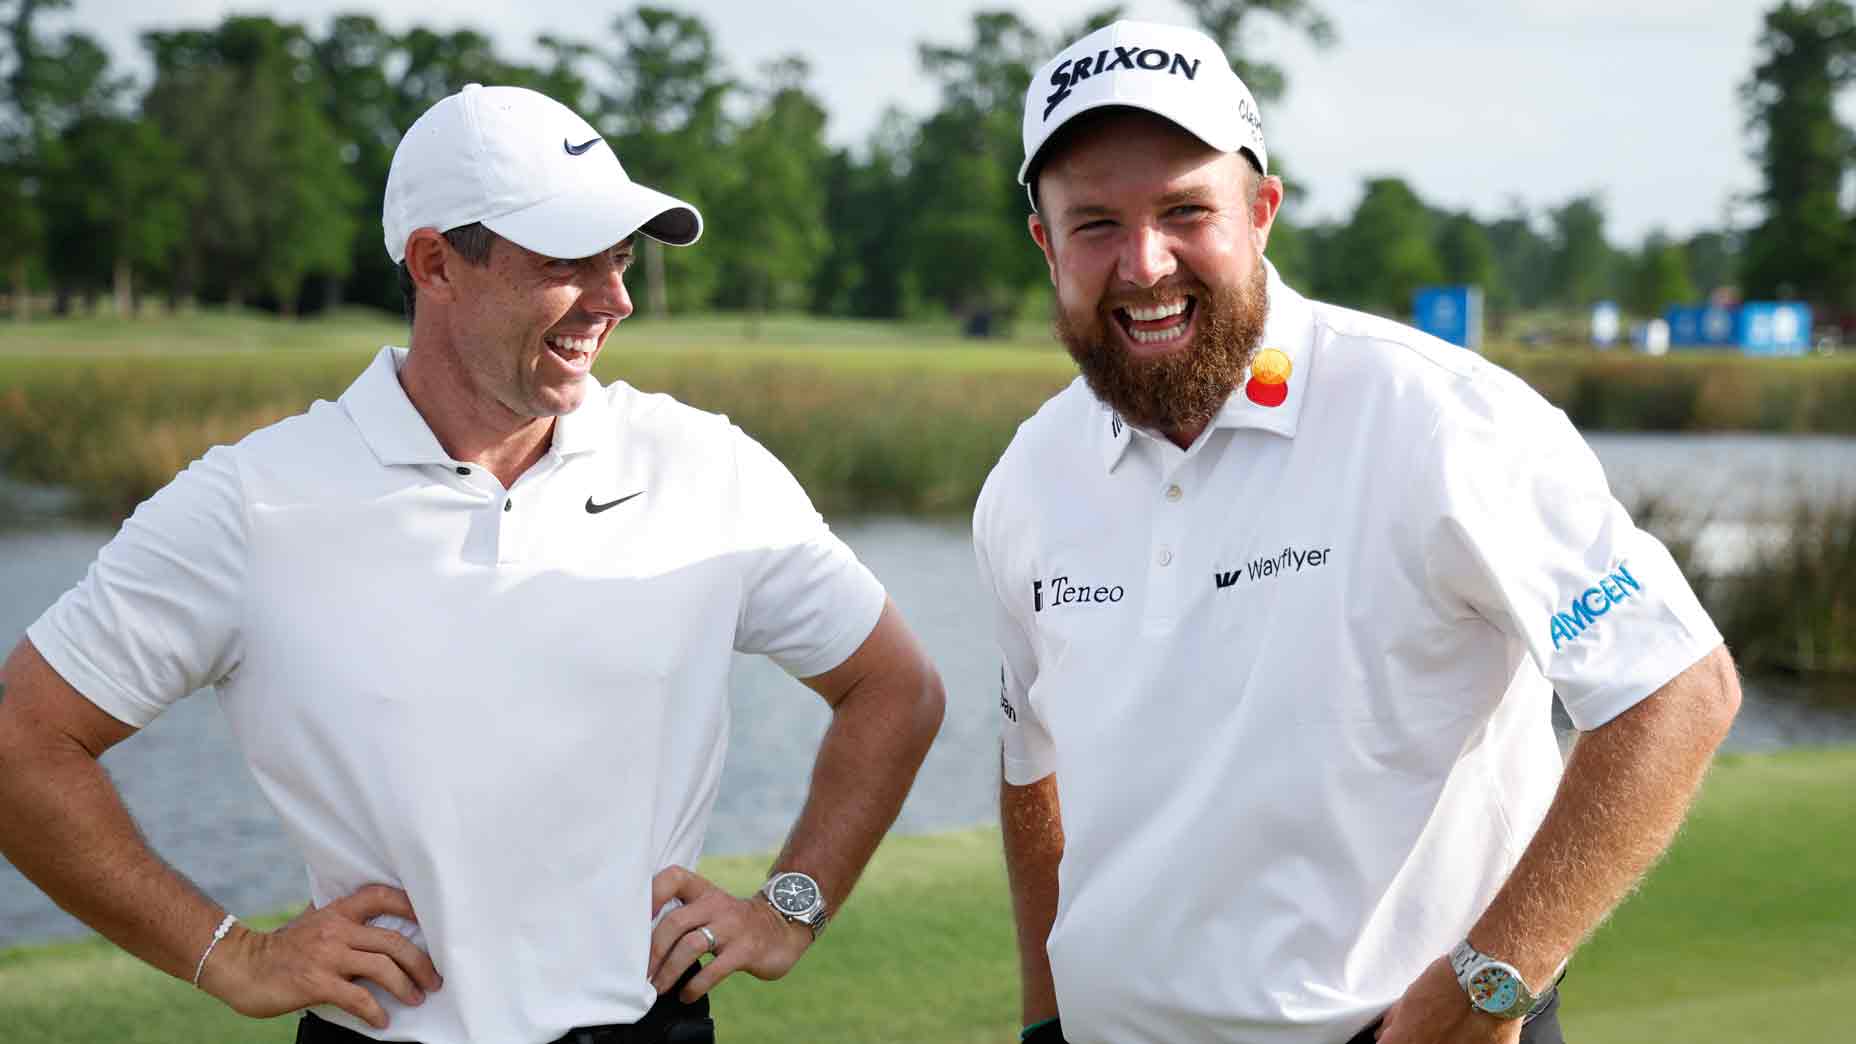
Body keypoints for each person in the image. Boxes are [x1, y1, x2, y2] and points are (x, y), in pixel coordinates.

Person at [0, 83, 945, 1044]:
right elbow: (21, 740)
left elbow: (893, 687)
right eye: (571, 262)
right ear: (435, 263)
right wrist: (230, 954)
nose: (615, 299)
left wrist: (791, 906)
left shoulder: (704, 467)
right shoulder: (253, 502)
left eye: (619, 259)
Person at [974, 21, 1740, 1044]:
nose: (1143, 263)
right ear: (1045, 245)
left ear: (1260, 211)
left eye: (1184, 211)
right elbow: (1031, 767)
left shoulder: (1435, 417)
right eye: (1096, 223)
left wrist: (1494, 974)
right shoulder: (1029, 478)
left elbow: (1674, 687)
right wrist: (1042, 1019)